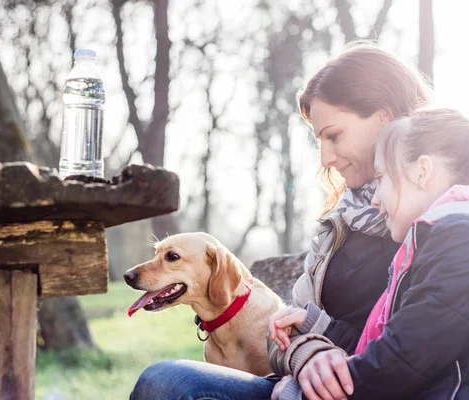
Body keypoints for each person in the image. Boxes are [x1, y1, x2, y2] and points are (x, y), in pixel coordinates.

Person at [131, 41, 431, 400]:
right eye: (320, 140)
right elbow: (285, 331)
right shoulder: (337, 225)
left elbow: (419, 352)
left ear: (384, 118)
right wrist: (305, 354)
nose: (325, 158)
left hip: (359, 388)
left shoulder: (439, 222)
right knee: (163, 382)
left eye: (334, 136)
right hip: (299, 384)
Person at [274, 109, 469, 399]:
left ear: (422, 171)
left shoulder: (468, 243)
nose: (376, 198)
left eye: (382, 177)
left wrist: (299, 394)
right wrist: (321, 327)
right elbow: (398, 345)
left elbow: (402, 361)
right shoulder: (447, 240)